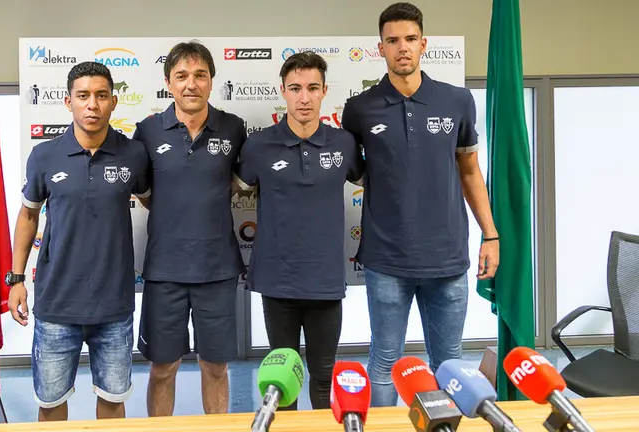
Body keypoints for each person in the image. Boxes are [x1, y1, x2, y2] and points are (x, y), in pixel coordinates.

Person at [341, 2, 500, 407]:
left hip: (447, 260)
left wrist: (490, 233)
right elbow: (352, 172)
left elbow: (469, 171)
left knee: (448, 362)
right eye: (392, 41)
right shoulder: (359, 109)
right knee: (384, 362)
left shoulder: (457, 101)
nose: (402, 48)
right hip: (386, 260)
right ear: (380, 48)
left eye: (410, 39)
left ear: (423, 43)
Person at [6, 61, 151, 421]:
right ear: (68, 102)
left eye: (101, 96)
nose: (92, 104)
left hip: (114, 305)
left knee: (113, 401)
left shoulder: (133, 154)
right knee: (51, 405)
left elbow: (154, 201)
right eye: (83, 96)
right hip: (57, 304)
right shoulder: (44, 156)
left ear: (114, 102)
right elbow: (27, 215)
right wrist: (17, 278)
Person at [235, 52, 364, 410]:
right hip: (277, 281)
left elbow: (373, 182)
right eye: (295, 88)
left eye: (311, 88)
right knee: (282, 384)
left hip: (325, 281)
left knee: (324, 379)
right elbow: (234, 190)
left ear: (324, 91)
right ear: (283, 92)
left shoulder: (344, 144)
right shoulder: (258, 145)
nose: (303, 98)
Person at [133, 40, 247, 416]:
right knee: (163, 368)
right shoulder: (147, 132)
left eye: (200, 75)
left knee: (215, 366)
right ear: (169, 83)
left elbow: (238, 183)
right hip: (165, 271)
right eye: (181, 76)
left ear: (212, 81)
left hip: (217, 270)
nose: (191, 84)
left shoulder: (233, 128)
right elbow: (146, 194)